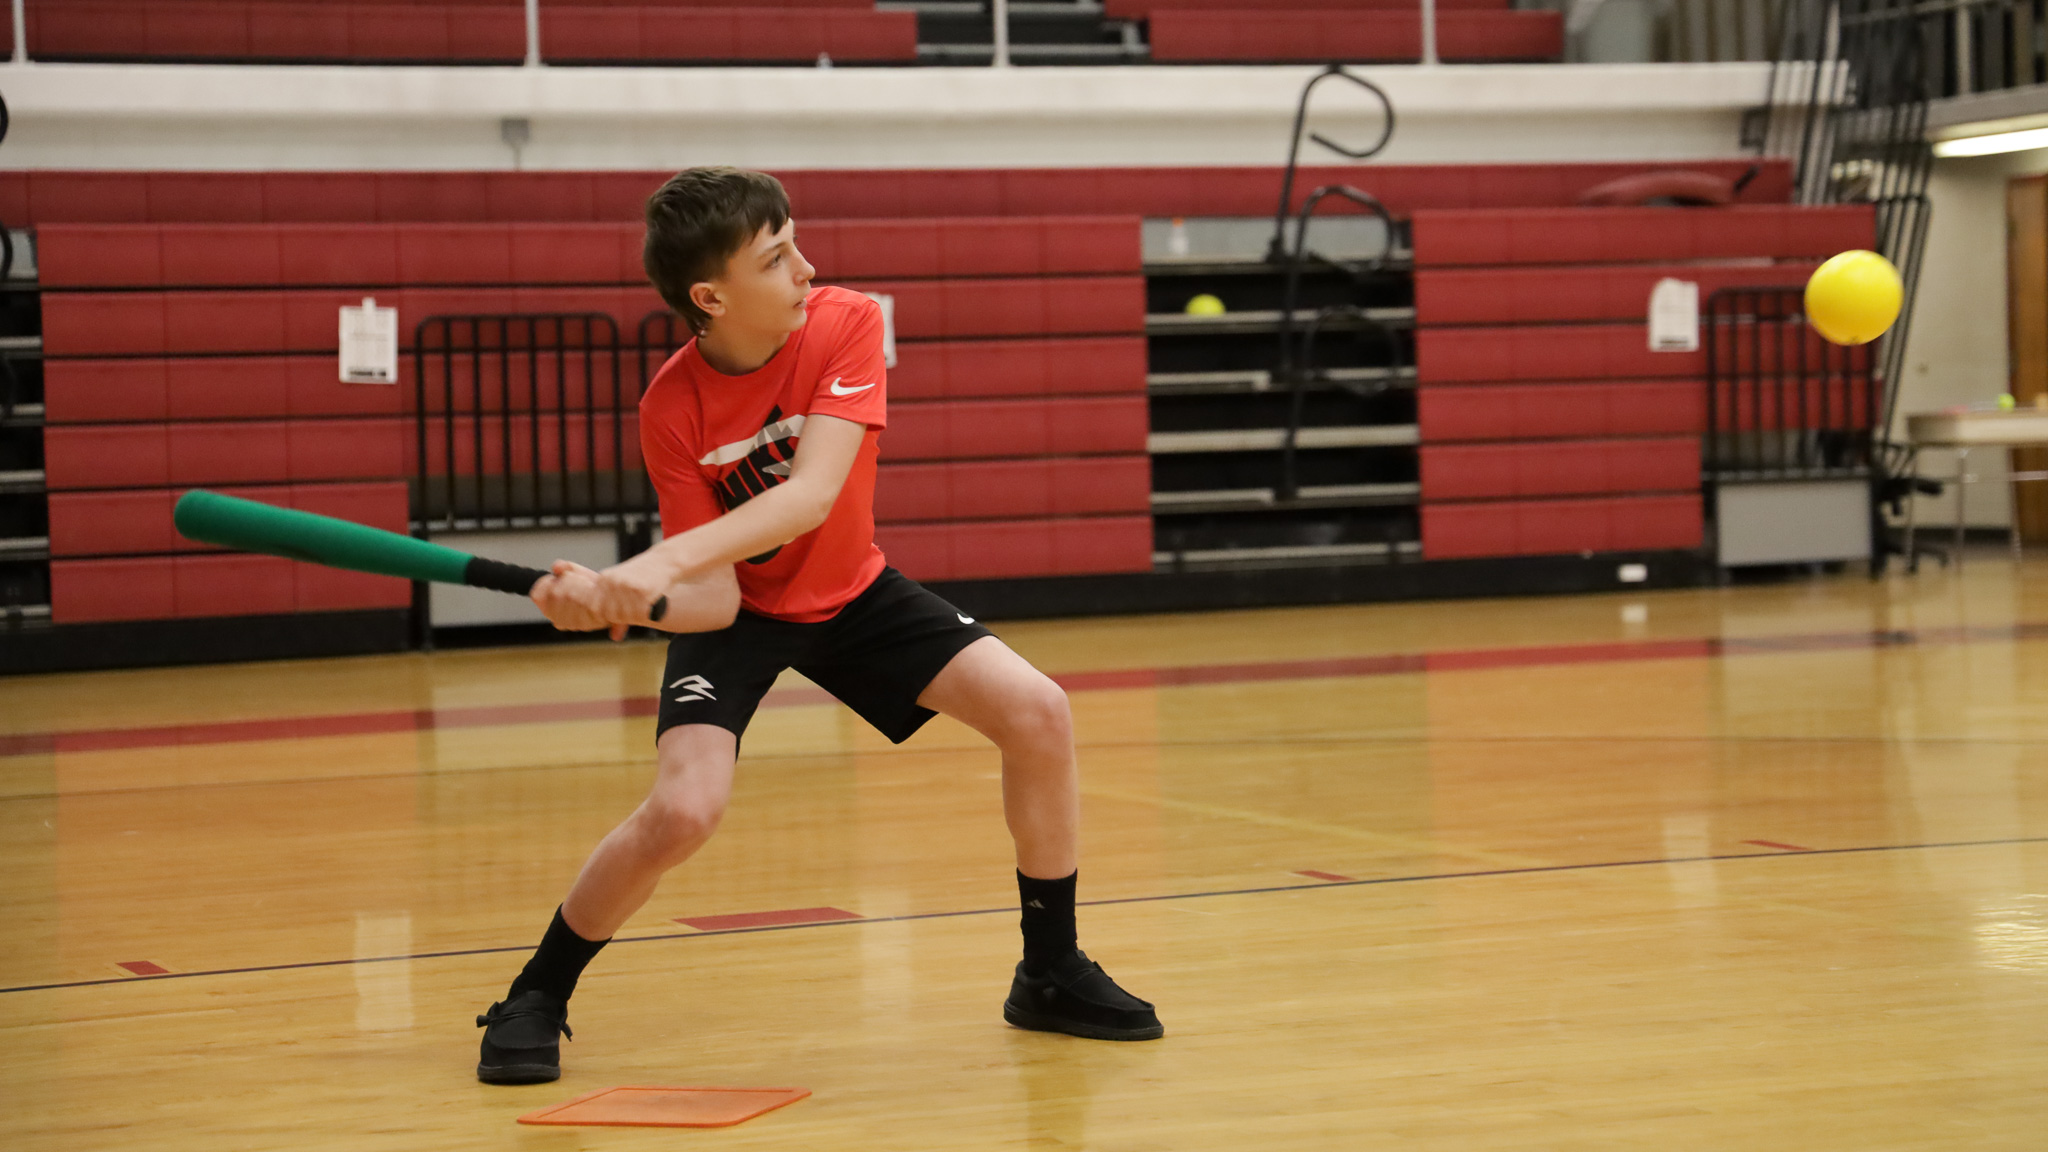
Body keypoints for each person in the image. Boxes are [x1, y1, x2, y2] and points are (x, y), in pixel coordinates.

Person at [474, 166, 1162, 1085]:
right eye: (777, 256)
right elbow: (714, 599)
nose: (808, 267)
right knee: (683, 810)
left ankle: (1049, 972)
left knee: (1038, 712)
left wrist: (654, 565)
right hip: (743, 615)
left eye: (796, 242)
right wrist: (619, 598)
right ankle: (536, 994)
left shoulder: (845, 321)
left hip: (853, 589)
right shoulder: (670, 408)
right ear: (710, 297)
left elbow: (811, 496)